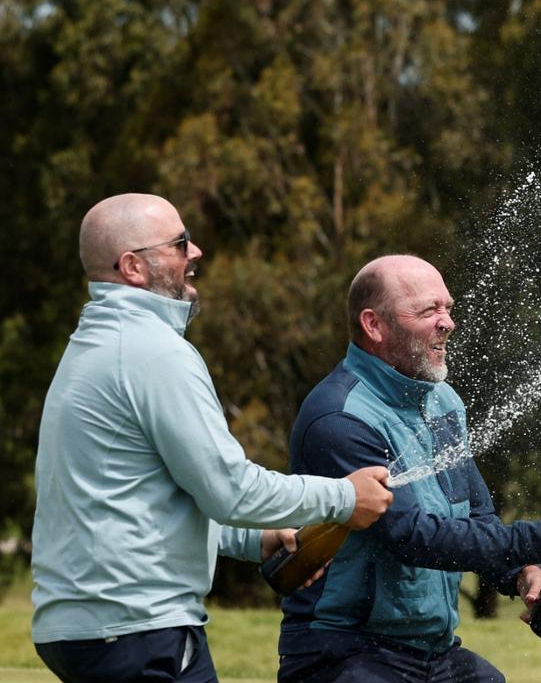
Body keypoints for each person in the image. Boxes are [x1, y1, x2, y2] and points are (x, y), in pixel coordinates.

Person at [31, 193, 396, 683]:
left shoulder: (98, 344)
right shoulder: (154, 353)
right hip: (137, 630)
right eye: (180, 244)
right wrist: (344, 496)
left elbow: (152, 496)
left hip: (99, 628)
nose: (196, 252)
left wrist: (256, 538)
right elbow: (231, 489)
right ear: (133, 266)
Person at [277, 254, 541, 683]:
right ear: (374, 325)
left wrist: (523, 574)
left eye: (448, 308)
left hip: (433, 650)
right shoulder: (339, 418)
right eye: (429, 310)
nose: (447, 323)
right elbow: (413, 537)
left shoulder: (442, 401)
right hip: (344, 651)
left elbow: (475, 514)